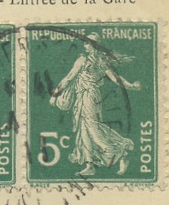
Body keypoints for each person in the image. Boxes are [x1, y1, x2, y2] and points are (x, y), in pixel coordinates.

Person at [50, 33, 141, 176]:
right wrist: (132, 86)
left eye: (87, 43)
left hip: (89, 96)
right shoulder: (88, 60)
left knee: (92, 128)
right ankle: (90, 164)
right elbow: (69, 78)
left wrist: (131, 86)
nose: (85, 45)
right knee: (84, 129)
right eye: (85, 42)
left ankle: (120, 151)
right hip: (83, 96)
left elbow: (115, 79)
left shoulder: (94, 61)